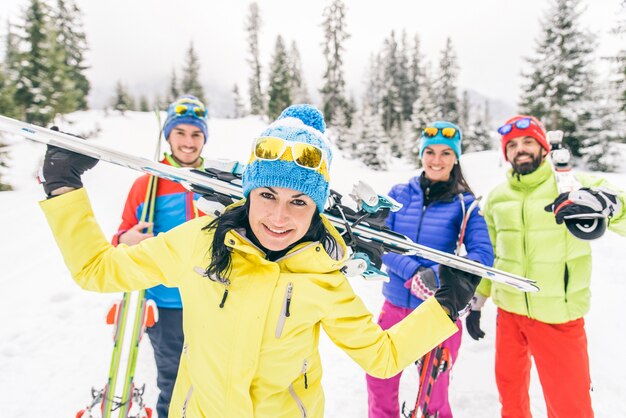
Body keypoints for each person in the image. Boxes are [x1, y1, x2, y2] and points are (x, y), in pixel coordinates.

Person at [38, 104, 481, 418]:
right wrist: (63, 186)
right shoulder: (200, 243)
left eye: (299, 201)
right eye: (266, 195)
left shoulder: (324, 275)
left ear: (318, 208)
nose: (278, 216)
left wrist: (446, 306)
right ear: (249, 192)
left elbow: (381, 358)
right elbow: (97, 270)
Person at [466, 115, 626, 418]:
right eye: (512, 145)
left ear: (543, 147)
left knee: (570, 407)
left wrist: (609, 205)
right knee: (510, 398)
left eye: (528, 142)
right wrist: (478, 299)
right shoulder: (497, 197)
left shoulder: (573, 185)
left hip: (558, 317)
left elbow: (622, 208)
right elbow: (491, 254)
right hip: (510, 313)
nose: (520, 149)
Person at [366, 121, 494, 418]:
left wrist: (436, 275)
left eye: (446, 153)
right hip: (395, 305)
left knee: (433, 392)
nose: (437, 160)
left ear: (456, 158)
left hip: (439, 310)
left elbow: (483, 255)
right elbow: (382, 241)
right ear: (421, 154)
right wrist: (412, 274)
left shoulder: (466, 204)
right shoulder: (399, 194)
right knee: (379, 378)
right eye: (431, 152)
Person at [112, 94, 209, 418]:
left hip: (210, 300)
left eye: (196, 134)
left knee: (213, 382)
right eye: (180, 132)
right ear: (168, 136)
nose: (188, 142)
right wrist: (128, 238)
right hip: (166, 305)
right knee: (173, 381)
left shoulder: (216, 184)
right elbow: (120, 239)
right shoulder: (147, 183)